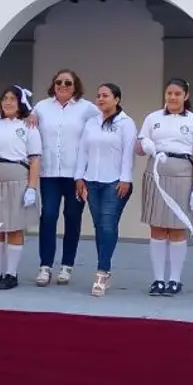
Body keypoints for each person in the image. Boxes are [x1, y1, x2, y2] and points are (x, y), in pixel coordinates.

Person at [137, 78, 193, 296]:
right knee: (158, 227)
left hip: (182, 173)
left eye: (177, 93)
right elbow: (139, 148)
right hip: (156, 172)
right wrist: (144, 144)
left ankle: (175, 279)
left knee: (178, 227)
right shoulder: (153, 118)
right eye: (169, 93)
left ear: (186, 96)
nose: (172, 97)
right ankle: (158, 279)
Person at [30, 69, 100, 287]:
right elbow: (27, 125)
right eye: (59, 81)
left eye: (68, 83)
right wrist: (28, 115)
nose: (63, 85)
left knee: (72, 217)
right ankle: (45, 266)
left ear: (75, 86)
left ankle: (67, 266)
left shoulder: (87, 108)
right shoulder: (41, 107)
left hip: (76, 175)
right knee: (48, 216)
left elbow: (104, 122)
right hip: (49, 173)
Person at [0, 86, 42, 290]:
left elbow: (35, 159)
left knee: (13, 227)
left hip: (16, 178)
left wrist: (31, 187)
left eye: (13, 99)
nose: (8, 102)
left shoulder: (28, 126)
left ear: (20, 102)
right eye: (5, 98)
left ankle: (11, 273)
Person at [73, 83, 137, 296]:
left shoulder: (126, 123)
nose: (101, 99)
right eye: (98, 95)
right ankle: (105, 267)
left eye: (106, 96)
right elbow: (83, 151)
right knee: (99, 225)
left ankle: (102, 271)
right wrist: (79, 177)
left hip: (115, 182)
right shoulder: (91, 123)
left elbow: (128, 153)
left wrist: (126, 179)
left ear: (117, 99)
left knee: (108, 224)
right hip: (92, 181)